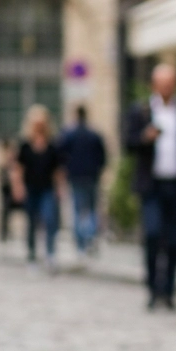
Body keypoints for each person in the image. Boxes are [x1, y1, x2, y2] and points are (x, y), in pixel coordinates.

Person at [122, 63, 176, 310]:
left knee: (173, 240)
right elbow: (128, 143)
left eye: (170, 83)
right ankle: (152, 288)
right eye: (162, 84)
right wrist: (144, 138)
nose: (166, 88)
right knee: (152, 234)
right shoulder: (141, 111)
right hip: (151, 185)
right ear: (154, 85)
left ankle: (169, 291)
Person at [11, 105, 63, 272]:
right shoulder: (25, 145)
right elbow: (18, 168)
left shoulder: (52, 144)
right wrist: (18, 187)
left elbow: (58, 170)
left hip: (47, 188)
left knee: (49, 219)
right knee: (32, 222)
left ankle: (50, 253)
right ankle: (32, 255)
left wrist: (60, 188)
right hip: (30, 188)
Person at [58, 105, 107, 258]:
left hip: (76, 177)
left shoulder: (69, 135)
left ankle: (81, 244)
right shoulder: (94, 135)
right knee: (91, 209)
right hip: (92, 176)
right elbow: (103, 157)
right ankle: (90, 237)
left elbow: (60, 155)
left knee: (78, 211)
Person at [0, 138, 22, 242]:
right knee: (5, 212)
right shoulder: (4, 162)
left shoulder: (16, 161)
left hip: (16, 190)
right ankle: (4, 233)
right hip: (6, 190)